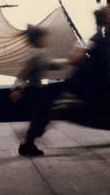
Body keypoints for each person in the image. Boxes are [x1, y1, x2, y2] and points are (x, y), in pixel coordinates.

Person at [55, 5, 110, 145]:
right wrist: (73, 57)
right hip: (99, 78)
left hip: (104, 76)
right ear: (104, 19)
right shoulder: (98, 36)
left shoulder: (105, 32)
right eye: (109, 16)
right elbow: (83, 50)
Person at [9, 25, 68, 157]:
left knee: (40, 117)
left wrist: (68, 61)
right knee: (40, 117)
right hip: (33, 91)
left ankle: (28, 144)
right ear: (37, 38)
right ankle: (27, 144)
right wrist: (18, 88)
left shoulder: (36, 52)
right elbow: (23, 73)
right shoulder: (34, 54)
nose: (46, 39)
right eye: (43, 37)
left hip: (36, 90)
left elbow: (49, 64)